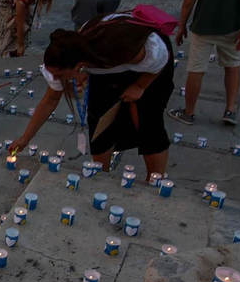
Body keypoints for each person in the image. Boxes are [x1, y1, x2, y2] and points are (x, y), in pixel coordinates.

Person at [10, 13, 176, 177]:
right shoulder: (60, 59)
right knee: (99, 117)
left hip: (150, 61)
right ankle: (100, 174)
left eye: (60, 76)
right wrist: (26, 138)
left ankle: (154, 181)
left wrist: (140, 86)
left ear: (79, 66)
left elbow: (160, 57)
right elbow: (50, 99)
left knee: (146, 119)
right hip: (106, 63)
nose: (54, 79)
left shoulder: (118, 47)